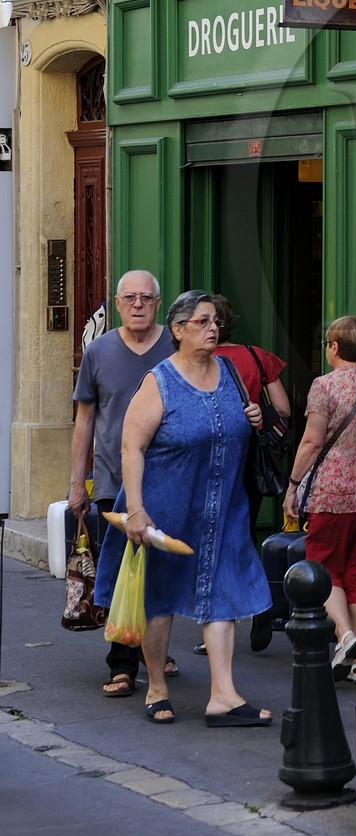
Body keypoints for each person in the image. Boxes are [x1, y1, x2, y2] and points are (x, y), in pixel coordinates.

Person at [94, 291, 273, 727]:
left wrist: (251, 415)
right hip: (166, 507)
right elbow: (131, 447)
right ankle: (156, 687)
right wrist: (136, 510)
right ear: (178, 330)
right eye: (203, 321)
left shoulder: (229, 370)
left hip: (223, 507)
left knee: (224, 595)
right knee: (160, 598)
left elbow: (240, 422)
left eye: (216, 321)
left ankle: (223, 697)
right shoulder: (161, 380)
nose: (213, 328)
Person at [69, 271, 176, 699]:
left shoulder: (176, 346)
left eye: (146, 298)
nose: (137, 304)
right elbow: (85, 421)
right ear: (117, 304)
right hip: (114, 481)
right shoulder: (98, 351)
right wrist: (79, 483)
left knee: (160, 572)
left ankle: (156, 652)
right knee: (125, 571)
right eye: (129, 298)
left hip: (169, 478)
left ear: (159, 303)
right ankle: (123, 664)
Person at [282, 314, 356, 684]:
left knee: (325, 567)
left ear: (334, 347)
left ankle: (345, 637)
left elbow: (313, 440)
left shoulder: (324, 386)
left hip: (333, 496)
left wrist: (294, 484)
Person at [213, 294, 291, 652]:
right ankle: (259, 604)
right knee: (242, 534)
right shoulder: (257, 356)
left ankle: (222, 620)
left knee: (219, 541)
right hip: (251, 459)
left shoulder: (200, 362)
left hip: (215, 459)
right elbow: (284, 408)